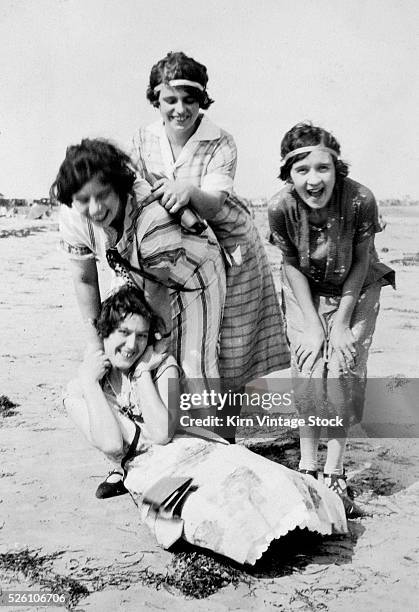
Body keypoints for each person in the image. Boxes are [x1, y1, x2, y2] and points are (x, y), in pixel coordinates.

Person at [64, 285, 347, 564]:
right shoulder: (80, 390)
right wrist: (90, 383)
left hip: (195, 448)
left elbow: (162, 432)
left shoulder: (159, 365)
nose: (131, 346)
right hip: (150, 473)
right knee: (211, 510)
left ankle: (315, 514)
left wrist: (140, 375)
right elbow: (113, 444)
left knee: (260, 477)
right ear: (105, 333)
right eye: (123, 333)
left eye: (140, 336)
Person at [132, 51, 290, 404]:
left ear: (202, 100)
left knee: (230, 343)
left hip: (231, 244)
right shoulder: (142, 140)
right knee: (175, 338)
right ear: (155, 100)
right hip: (172, 246)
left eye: (190, 100)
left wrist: (187, 190)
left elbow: (215, 202)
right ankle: (180, 425)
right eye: (169, 100)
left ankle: (225, 434)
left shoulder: (221, 140)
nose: (180, 109)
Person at [268, 123, 395, 517]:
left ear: (337, 167)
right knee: (307, 368)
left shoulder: (360, 199)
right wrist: (310, 323)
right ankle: (307, 466)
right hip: (305, 289)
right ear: (288, 174)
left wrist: (339, 324)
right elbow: (291, 264)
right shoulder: (281, 207)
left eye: (322, 168)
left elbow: (361, 261)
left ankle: (335, 471)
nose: (313, 179)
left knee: (342, 367)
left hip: (356, 287)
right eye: (301, 171)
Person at [52, 138, 226, 396]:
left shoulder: (151, 214)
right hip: (133, 271)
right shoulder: (71, 217)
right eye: (84, 200)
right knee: (121, 352)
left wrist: (161, 343)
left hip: (194, 275)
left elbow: (156, 289)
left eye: (103, 195)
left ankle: (213, 434)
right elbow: (85, 280)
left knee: (193, 365)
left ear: (119, 187)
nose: (96, 208)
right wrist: (96, 343)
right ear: (71, 199)